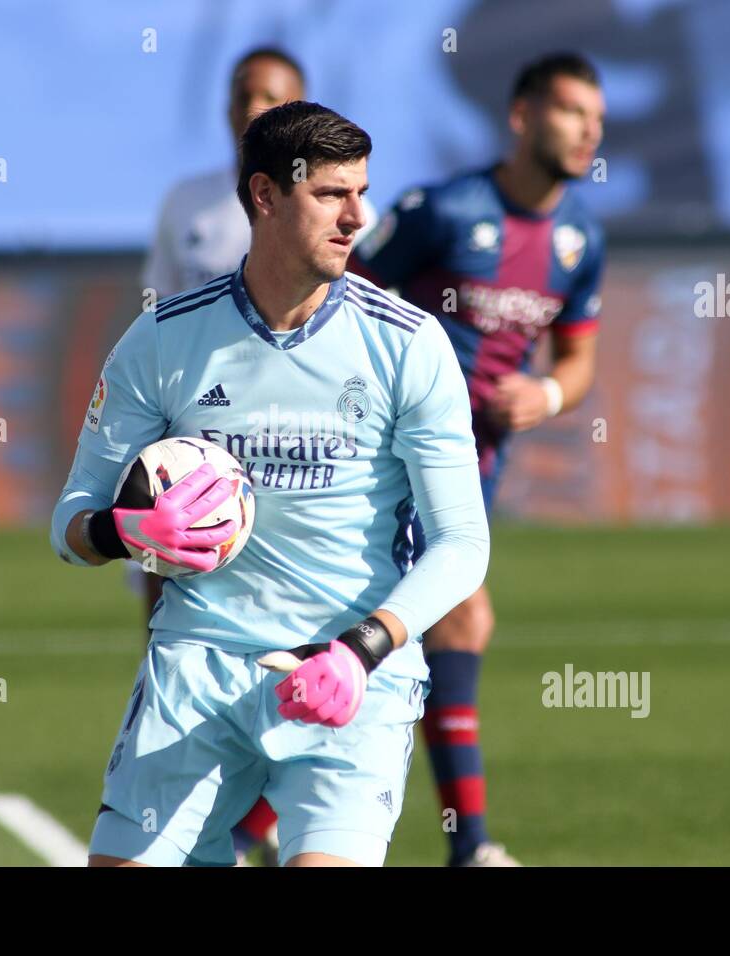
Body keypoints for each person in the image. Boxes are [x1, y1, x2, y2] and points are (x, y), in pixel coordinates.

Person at [51, 101, 488, 866]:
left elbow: (462, 545)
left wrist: (360, 651)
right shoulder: (163, 338)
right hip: (196, 666)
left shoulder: (410, 345)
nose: (358, 217)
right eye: (330, 194)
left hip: (351, 674)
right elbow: (69, 523)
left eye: (362, 191)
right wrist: (119, 532)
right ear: (263, 195)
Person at [350, 52, 606, 866]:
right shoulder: (443, 209)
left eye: (596, 116)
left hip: (475, 469)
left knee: (419, 626)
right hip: (386, 458)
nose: (586, 128)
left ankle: (249, 829)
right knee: (457, 615)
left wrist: (549, 399)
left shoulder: (579, 241)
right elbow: (345, 298)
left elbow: (575, 361)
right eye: (569, 110)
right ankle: (474, 849)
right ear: (523, 116)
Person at [139, 45, 375, 864]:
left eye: (271, 96)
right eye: (243, 93)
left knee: (296, 619)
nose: (251, 107)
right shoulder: (190, 204)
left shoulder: (332, 218)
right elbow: (161, 309)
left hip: (298, 454)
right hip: (196, 453)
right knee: (178, 610)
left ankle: (266, 813)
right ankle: (198, 769)